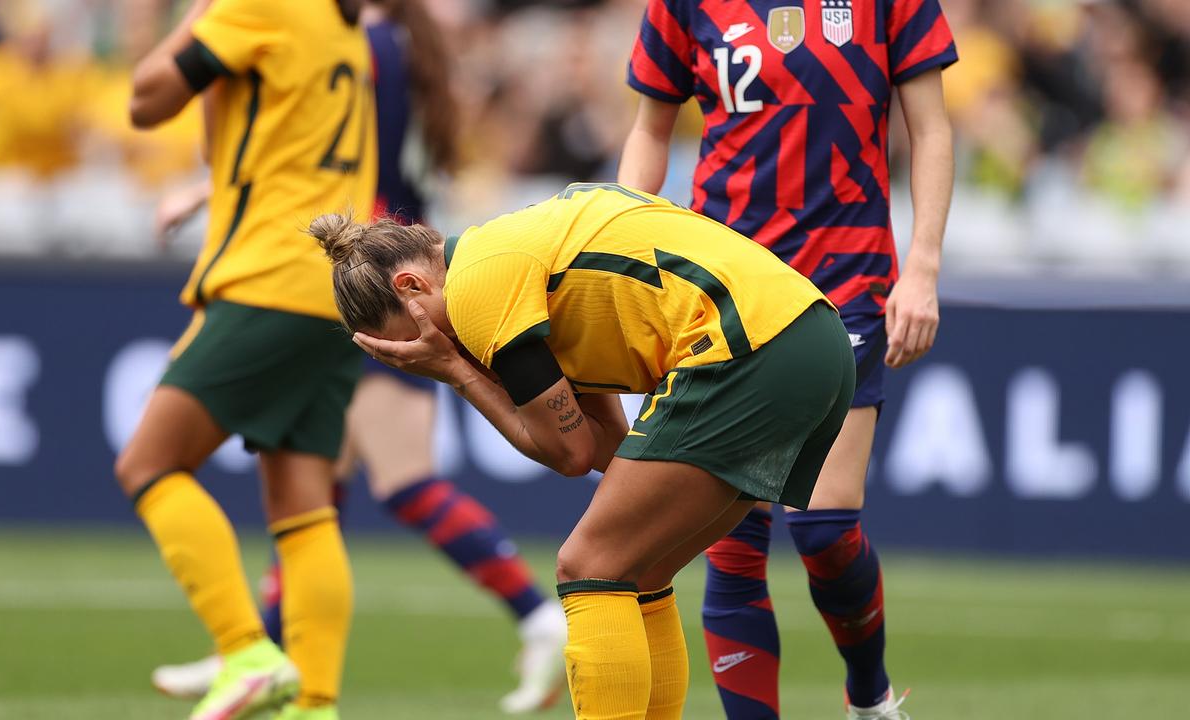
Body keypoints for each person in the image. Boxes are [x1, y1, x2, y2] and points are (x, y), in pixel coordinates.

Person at [148, 0, 568, 711]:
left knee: (379, 483)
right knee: (318, 490)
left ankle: (534, 616)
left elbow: (322, 158)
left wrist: (226, 187)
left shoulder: (352, 41)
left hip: (369, 277)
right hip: (399, 266)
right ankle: (266, 650)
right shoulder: (405, 46)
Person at [309, 181, 856, 720]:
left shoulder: (476, 285)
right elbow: (608, 449)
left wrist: (454, 371)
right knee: (638, 572)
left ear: (412, 286)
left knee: (588, 564)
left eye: (410, 339)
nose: (425, 350)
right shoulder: (523, 252)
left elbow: (569, 455)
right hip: (811, 337)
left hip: (744, 347)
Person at [618, 0, 958, 717]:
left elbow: (929, 129)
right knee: (730, 543)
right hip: (723, 283)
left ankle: (868, 694)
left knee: (824, 529)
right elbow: (651, 128)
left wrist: (922, 267)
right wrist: (617, 243)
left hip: (847, 277)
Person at [120, 0, 375, 718]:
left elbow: (147, 99)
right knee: (304, 507)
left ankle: (245, 651)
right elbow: (220, 143)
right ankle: (316, 703)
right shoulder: (339, 20)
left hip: (269, 278)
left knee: (148, 464)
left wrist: (199, 11)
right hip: (336, 286)